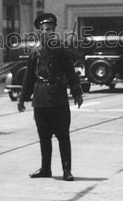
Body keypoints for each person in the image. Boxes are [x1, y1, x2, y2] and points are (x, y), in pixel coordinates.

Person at [17, 13, 83, 181]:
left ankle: (67, 170)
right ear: (39, 32)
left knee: (63, 136)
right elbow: (29, 77)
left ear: (54, 32)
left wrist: (77, 93)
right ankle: (45, 169)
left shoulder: (61, 50)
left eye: (49, 29)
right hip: (40, 100)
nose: (45, 32)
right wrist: (22, 97)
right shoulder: (34, 52)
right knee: (44, 137)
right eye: (43, 29)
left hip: (58, 98)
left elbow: (70, 72)